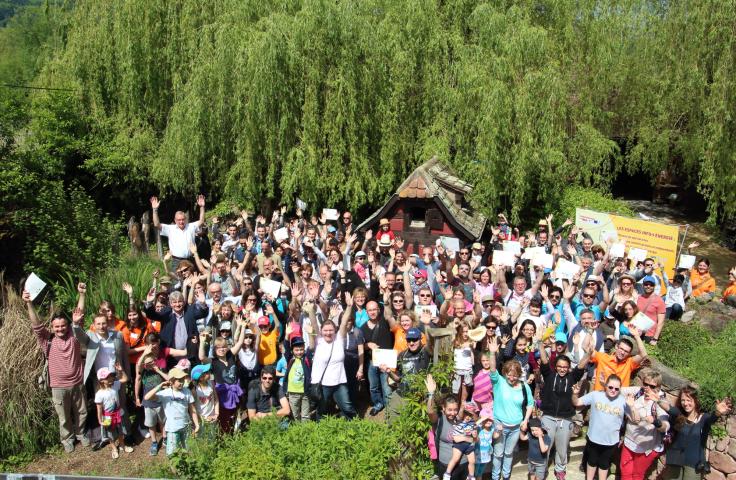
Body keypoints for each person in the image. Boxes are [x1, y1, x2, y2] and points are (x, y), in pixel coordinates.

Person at [24, 289, 89, 453]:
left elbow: (79, 317)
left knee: (82, 412)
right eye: (57, 327)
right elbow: (36, 325)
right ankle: (67, 439)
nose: (60, 329)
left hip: (77, 383)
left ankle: (81, 434)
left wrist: (81, 294)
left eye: (63, 326)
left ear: (67, 326)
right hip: (58, 386)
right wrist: (29, 303)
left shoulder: (74, 337)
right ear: (52, 328)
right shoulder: (48, 340)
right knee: (64, 417)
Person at [572, 375, 639, 480]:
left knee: (604, 464)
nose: (613, 390)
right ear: (605, 385)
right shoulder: (595, 395)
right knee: (591, 461)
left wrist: (632, 406)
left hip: (611, 441)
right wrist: (575, 394)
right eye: (610, 387)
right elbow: (576, 403)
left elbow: (635, 420)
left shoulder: (623, 401)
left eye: (617, 389)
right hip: (593, 438)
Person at [538, 340, 589, 480]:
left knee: (562, 447)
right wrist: (540, 343)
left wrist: (590, 352)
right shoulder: (549, 376)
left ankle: (560, 469)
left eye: (565, 367)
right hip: (548, 416)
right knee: (545, 445)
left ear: (568, 368)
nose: (562, 369)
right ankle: (541, 469)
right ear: (555, 367)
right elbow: (544, 360)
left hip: (565, 419)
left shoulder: (572, 378)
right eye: (559, 366)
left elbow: (581, 365)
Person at [487, 337, 534, 480]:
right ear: (505, 373)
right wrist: (492, 353)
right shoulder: (499, 382)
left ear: (519, 375)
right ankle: (495, 477)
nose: (511, 378)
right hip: (500, 425)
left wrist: (525, 421)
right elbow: (493, 369)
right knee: (498, 453)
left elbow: (530, 404)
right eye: (509, 374)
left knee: (509, 453)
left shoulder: (524, 387)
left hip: (516, 427)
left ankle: (506, 476)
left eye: (514, 375)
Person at [660, 387, 732, 480]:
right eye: (683, 400)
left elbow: (711, 419)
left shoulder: (703, 418)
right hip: (675, 460)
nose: (685, 403)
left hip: (693, 464)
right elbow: (670, 409)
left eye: (688, 400)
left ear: (695, 400)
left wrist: (717, 412)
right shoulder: (679, 415)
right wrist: (657, 399)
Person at [307, 299, 357, 419]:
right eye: (325, 330)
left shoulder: (339, 339)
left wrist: (349, 306)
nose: (328, 333)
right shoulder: (318, 341)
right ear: (321, 331)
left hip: (339, 382)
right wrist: (310, 311)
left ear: (335, 330)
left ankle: (354, 427)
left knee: (347, 407)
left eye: (331, 330)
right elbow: (314, 324)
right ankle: (321, 432)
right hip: (323, 383)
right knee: (322, 409)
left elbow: (344, 322)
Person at [619, 370, 671, 480]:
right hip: (630, 440)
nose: (647, 388)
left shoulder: (660, 401)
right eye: (645, 384)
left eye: (652, 386)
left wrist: (656, 422)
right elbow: (618, 390)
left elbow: (665, 426)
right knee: (625, 471)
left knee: (637, 474)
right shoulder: (639, 391)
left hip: (646, 446)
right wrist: (607, 385)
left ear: (658, 387)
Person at [144, 367, 200, 456]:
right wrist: (160, 385)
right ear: (172, 381)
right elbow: (147, 397)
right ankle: (174, 469)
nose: (181, 382)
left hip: (186, 426)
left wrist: (196, 424)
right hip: (172, 429)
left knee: (188, 450)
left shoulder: (187, 391)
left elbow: (192, 409)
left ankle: (186, 468)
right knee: (172, 454)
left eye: (182, 379)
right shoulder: (166, 393)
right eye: (179, 380)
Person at [382, 327, 430, 421]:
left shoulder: (426, 352)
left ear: (420, 339)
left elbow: (432, 344)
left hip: (421, 395)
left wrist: (426, 325)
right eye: (409, 340)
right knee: (391, 418)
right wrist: (389, 372)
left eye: (415, 339)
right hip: (403, 393)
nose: (411, 343)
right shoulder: (402, 355)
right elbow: (398, 379)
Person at [426, 375, 469, 480]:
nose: (453, 413)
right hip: (446, 465)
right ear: (443, 408)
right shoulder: (440, 420)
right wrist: (431, 393)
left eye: (455, 409)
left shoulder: (462, 418)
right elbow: (430, 411)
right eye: (450, 410)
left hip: (463, 463)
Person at [151, 195, 206, 271]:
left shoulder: (191, 226)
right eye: (179, 220)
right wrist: (155, 210)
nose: (181, 221)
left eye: (183, 219)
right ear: (175, 220)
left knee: (192, 281)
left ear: (185, 219)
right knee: (177, 282)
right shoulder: (170, 229)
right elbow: (156, 224)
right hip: (176, 261)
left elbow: (201, 221)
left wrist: (202, 207)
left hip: (190, 259)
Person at [95, 365, 133, 458]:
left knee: (120, 432)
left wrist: (121, 370)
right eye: (107, 377)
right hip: (107, 416)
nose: (111, 378)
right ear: (101, 380)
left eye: (111, 376)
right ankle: (114, 448)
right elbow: (99, 408)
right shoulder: (99, 394)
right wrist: (100, 420)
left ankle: (122, 445)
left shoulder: (115, 385)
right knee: (110, 434)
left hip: (118, 413)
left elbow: (125, 379)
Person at [443, 402, 479, 480]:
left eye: (470, 415)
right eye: (466, 414)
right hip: (459, 444)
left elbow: (475, 436)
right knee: (455, 458)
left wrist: (475, 434)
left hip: (469, 445)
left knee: (472, 461)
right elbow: (459, 414)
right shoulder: (459, 420)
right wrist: (462, 407)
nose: (468, 417)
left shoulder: (472, 423)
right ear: (463, 413)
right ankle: (447, 473)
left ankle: (471, 475)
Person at [284, 336, 312, 422]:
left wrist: (311, 334)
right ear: (292, 351)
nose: (299, 352)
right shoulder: (290, 359)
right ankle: (297, 430)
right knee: (295, 414)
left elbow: (311, 348)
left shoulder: (306, 359)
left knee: (305, 415)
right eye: (297, 350)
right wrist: (286, 336)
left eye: (301, 349)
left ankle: (305, 431)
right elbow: (286, 348)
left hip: (305, 392)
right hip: (293, 392)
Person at [191, 363, 219, 439]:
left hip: (212, 417)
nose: (209, 373)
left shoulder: (211, 383)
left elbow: (216, 399)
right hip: (201, 419)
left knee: (212, 437)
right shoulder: (195, 390)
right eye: (207, 372)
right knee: (201, 438)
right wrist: (201, 418)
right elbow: (192, 407)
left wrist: (216, 413)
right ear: (201, 377)